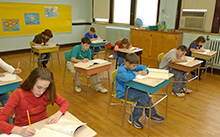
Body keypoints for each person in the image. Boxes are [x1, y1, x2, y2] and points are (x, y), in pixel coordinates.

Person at [0, 68, 69, 136]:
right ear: (31, 82)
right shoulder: (18, 93)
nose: (41, 92)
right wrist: (21, 131)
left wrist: (58, 114)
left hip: (43, 126)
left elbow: (65, 103)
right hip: (23, 128)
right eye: (39, 87)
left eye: (45, 88)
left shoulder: (47, 92)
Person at [115, 53, 164, 129]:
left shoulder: (132, 67)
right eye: (133, 66)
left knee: (144, 94)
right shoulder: (121, 70)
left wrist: (145, 71)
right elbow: (127, 77)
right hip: (123, 93)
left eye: (135, 66)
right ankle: (141, 117)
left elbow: (143, 67)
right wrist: (136, 73)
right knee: (143, 97)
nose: (135, 67)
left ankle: (146, 115)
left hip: (131, 89)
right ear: (127, 63)